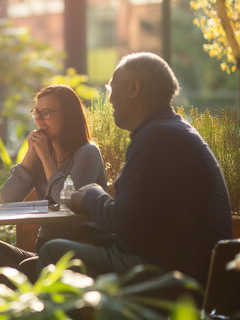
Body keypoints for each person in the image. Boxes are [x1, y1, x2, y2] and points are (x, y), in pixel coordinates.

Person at [37, 52, 232, 286]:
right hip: (183, 265)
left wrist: (90, 195)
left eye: (111, 89)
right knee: (37, 262)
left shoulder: (157, 138)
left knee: (53, 253)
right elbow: (136, 221)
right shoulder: (170, 132)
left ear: (133, 88)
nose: (109, 100)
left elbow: (122, 221)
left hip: (169, 275)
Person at [0, 84, 110, 279]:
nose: (38, 119)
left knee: (26, 268)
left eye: (46, 113)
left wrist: (47, 160)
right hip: (44, 251)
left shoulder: (87, 153)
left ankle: (27, 308)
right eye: (36, 112)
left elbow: (68, 203)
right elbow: (8, 198)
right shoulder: (41, 154)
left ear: (68, 116)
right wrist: (30, 158)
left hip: (75, 256)